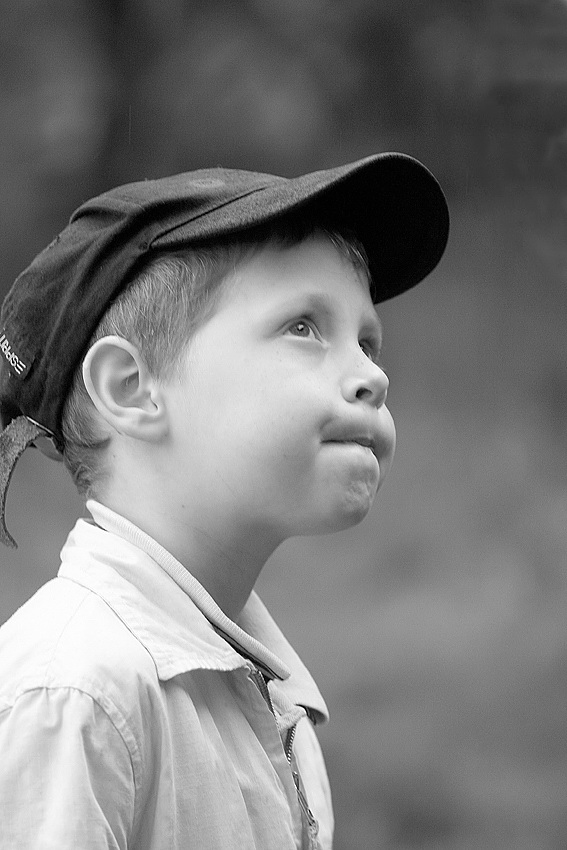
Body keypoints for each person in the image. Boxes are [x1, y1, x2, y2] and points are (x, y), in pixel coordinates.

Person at [0, 153, 449, 850]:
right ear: (130, 388)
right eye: (303, 326)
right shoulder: (75, 695)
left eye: (367, 340)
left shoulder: (275, 697)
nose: (370, 376)